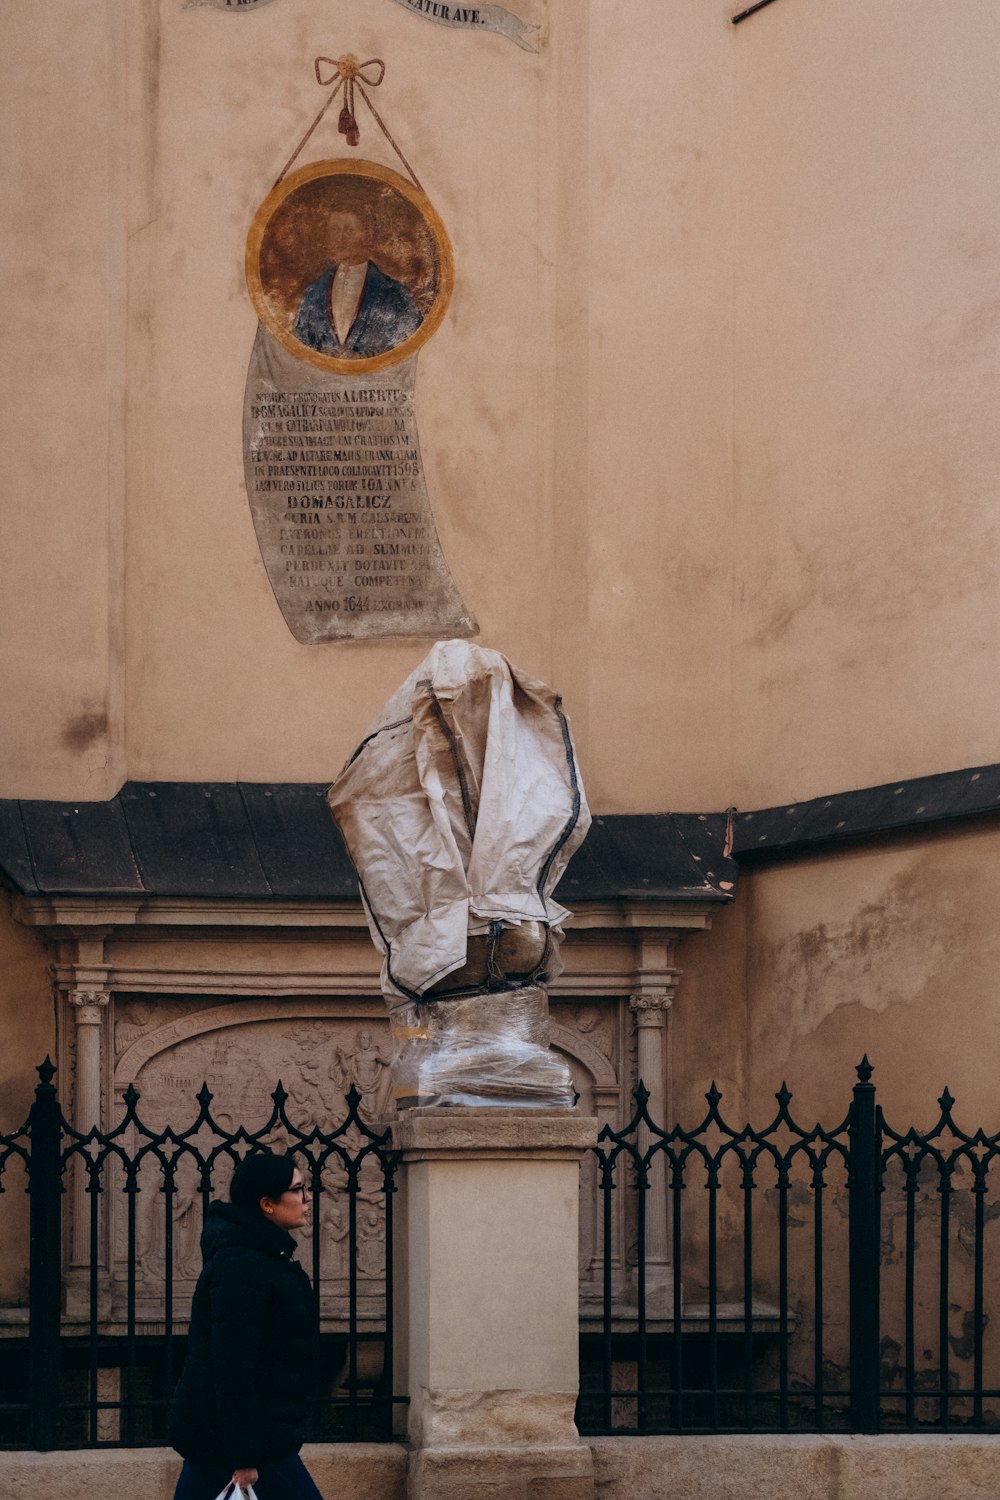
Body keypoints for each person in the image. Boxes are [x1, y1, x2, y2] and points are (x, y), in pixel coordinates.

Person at [169, 1152, 322, 1500]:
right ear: (267, 1204)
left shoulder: (263, 1256)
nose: (307, 1198)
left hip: (243, 1432)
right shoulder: (243, 1266)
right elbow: (232, 1365)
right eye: (298, 1190)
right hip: (237, 1437)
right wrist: (243, 1455)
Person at [293, 206, 423, 359]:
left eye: (349, 230)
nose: (340, 238)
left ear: (367, 235)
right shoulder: (313, 292)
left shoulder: (394, 294)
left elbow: (407, 346)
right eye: (334, 230)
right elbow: (300, 344)